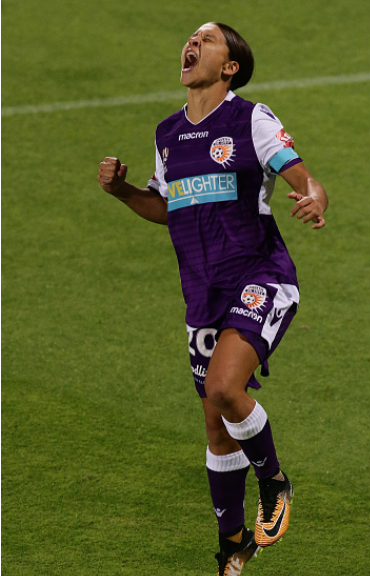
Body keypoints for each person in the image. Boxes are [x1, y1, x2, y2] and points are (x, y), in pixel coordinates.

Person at [98, 22, 328, 576]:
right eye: (191, 38)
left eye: (208, 39)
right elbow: (166, 205)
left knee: (225, 388)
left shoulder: (251, 119)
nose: (192, 43)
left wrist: (314, 197)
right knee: (214, 424)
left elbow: (303, 178)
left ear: (229, 67)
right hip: (202, 292)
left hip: (260, 275)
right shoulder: (167, 133)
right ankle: (232, 545)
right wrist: (124, 191)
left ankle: (274, 482)